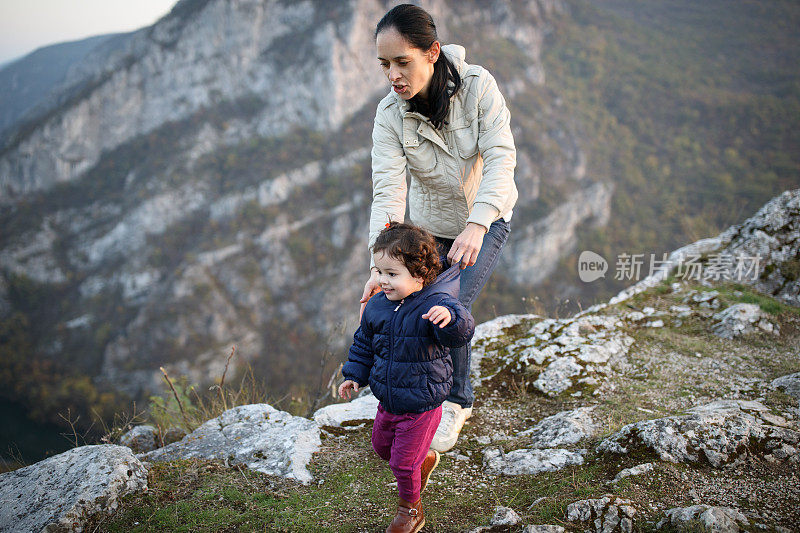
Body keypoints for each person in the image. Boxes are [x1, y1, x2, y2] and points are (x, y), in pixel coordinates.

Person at [359, 4, 517, 453]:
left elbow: (502, 157)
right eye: (384, 64)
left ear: (431, 53)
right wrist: (380, 265)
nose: (392, 74)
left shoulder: (479, 86)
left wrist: (477, 223)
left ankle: (455, 400)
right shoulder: (389, 115)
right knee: (417, 302)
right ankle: (420, 396)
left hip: (484, 218)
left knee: (445, 303)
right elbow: (388, 192)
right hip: (429, 227)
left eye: (401, 61)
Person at [340, 222, 475, 533]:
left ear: (419, 276)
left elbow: (464, 330)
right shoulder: (377, 306)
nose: (382, 281)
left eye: (391, 274)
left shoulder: (436, 303)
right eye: (379, 272)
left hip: (422, 402)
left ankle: (411, 510)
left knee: (401, 464)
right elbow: (363, 344)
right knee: (382, 448)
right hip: (388, 398)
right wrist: (354, 375)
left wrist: (450, 319)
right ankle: (423, 458)